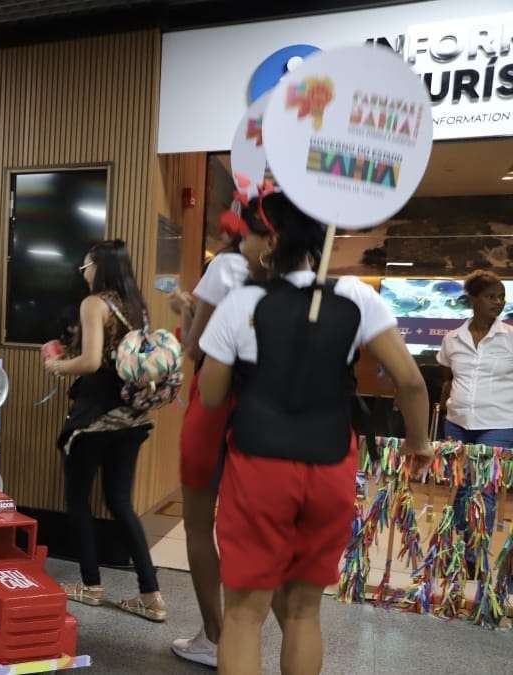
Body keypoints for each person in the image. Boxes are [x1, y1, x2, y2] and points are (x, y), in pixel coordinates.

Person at [196, 192, 431, 675]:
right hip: (330, 468)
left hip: (259, 469)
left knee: (243, 615)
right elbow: (410, 381)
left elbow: (213, 396)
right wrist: (418, 442)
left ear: (271, 243)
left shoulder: (242, 303)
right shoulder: (357, 297)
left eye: (252, 236)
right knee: (304, 612)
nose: (245, 244)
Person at [42, 240, 167, 622]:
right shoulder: (135, 306)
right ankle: (151, 595)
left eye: (85, 267)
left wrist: (59, 366)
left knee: (78, 501)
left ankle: (92, 586)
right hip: (132, 419)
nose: (84, 274)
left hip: (94, 419)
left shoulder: (94, 304)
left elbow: (93, 361)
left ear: (98, 265)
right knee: (120, 502)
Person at [166, 221, 250, 667]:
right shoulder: (295, 277)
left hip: (214, 400)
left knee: (199, 524)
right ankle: (242, 633)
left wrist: (183, 308)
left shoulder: (226, 265)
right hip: (261, 407)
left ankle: (214, 636)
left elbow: (194, 346)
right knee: (246, 527)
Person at [437, 270, 512, 573]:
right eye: (491, 296)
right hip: (457, 422)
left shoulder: (510, 337)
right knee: (459, 488)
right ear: (473, 299)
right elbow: (448, 378)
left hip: (499, 422)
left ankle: (473, 560)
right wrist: (446, 406)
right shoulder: (452, 338)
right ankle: (453, 555)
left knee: (483, 490)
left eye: (501, 297)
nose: (498, 302)